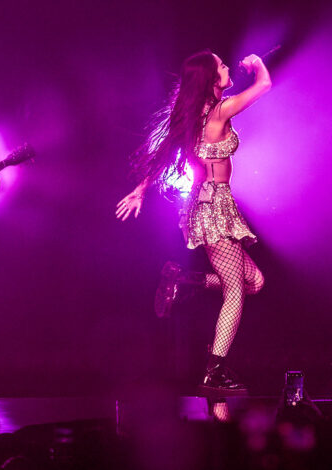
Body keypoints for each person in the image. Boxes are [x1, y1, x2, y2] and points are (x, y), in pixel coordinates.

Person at [116, 50, 271, 394]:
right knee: (235, 290)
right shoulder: (218, 112)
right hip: (213, 206)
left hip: (211, 203)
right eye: (222, 65)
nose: (228, 67)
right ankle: (214, 370)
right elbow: (264, 85)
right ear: (211, 78)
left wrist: (141, 190)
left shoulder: (192, 114)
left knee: (255, 282)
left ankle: (185, 280)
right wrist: (258, 64)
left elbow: (162, 155)